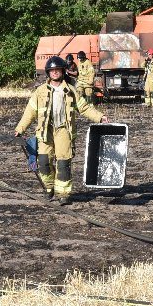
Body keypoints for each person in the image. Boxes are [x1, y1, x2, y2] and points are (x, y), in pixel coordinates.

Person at [15, 56, 108, 205]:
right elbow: (29, 112)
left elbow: (84, 108)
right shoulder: (40, 91)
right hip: (45, 131)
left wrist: (100, 117)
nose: (55, 73)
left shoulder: (71, 90)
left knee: (63, 163)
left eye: (57, 70)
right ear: (48, 73)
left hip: (64, 131)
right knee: (44, 161)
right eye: (52, 70)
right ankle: (48, 188)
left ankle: (63, 193)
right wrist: (20, 129)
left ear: (62, 71)